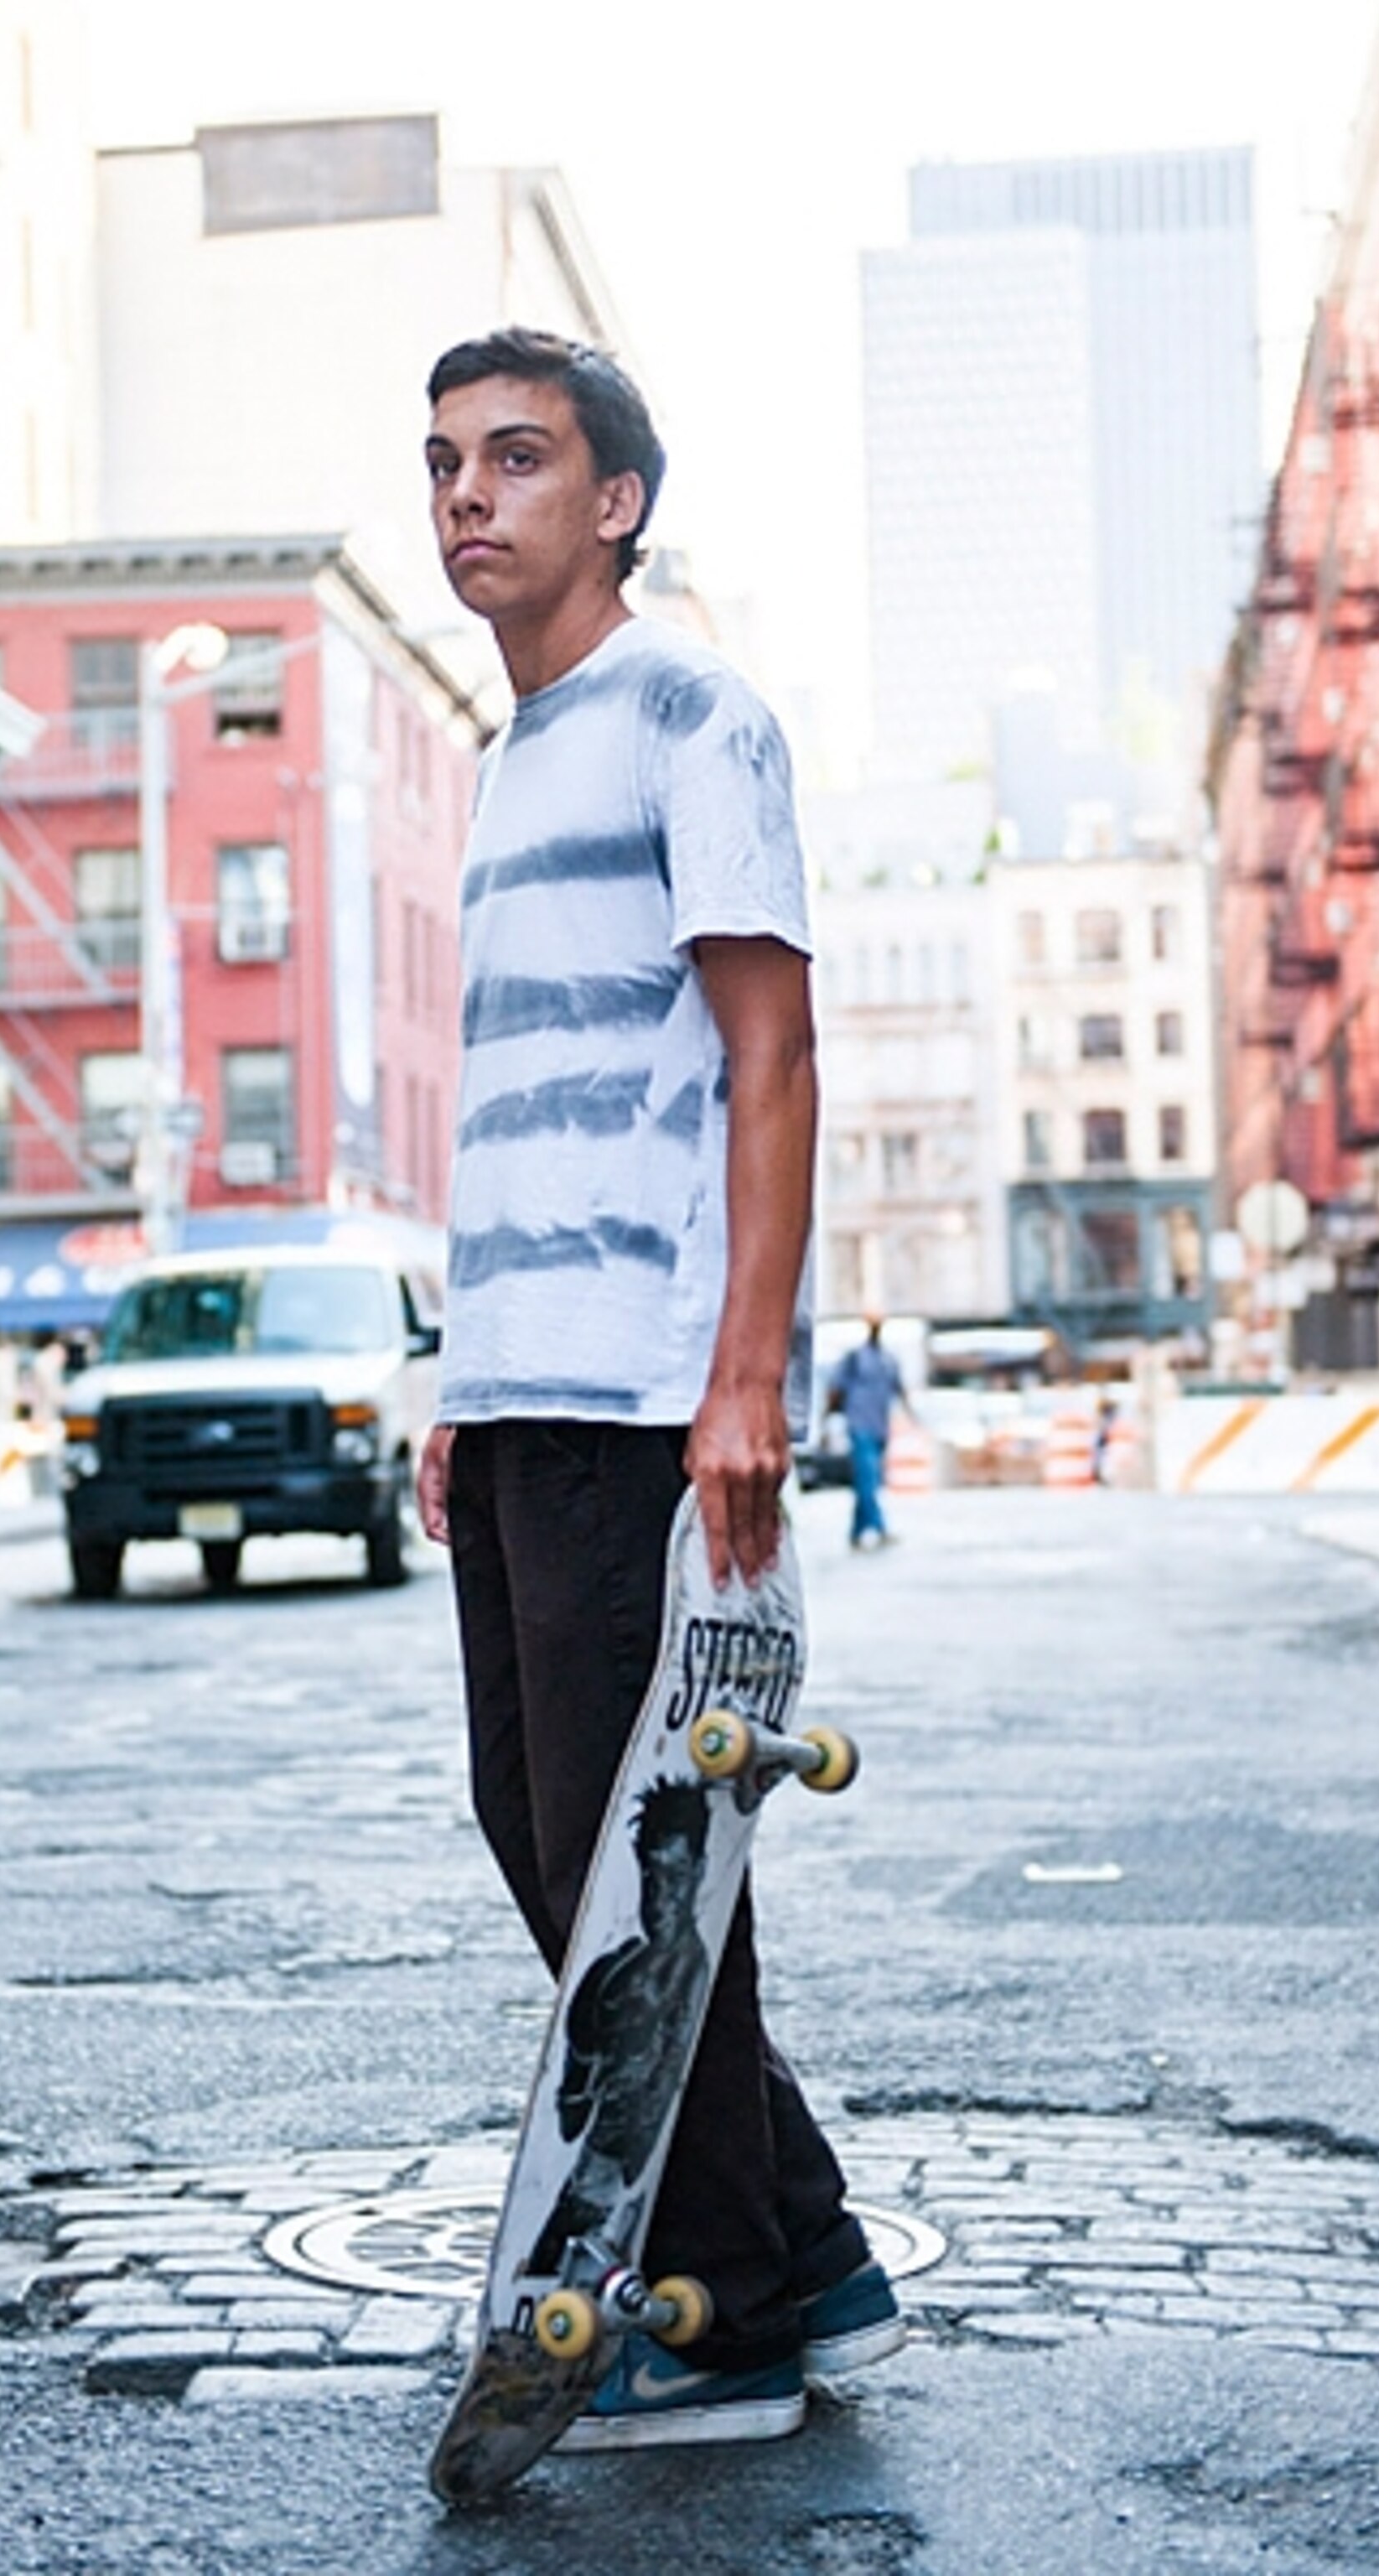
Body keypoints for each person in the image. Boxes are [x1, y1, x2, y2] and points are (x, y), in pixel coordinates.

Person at [415, 327, 902, 2453]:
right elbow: (529, 1107)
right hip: (523, 1385)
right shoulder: (513, 754)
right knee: (540, 1822)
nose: (467, 494)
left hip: (641, 1394)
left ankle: (732, 2322)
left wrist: (745, 1377)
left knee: (635, 1858)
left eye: (516, 458)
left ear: (613, 502)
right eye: (445, 462)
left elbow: (770, 1055)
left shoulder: (693, 710)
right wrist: (462, 1380)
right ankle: (812, 2255)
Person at [827, 1315, 911, 1550]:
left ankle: (856, 1531)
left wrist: (913, 1417)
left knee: (868, 1481)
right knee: (868, 1478)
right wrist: (827, 1420)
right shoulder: (855, 1358)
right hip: (859, 1424)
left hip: (879, 1427)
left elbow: (900, 1389)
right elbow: (836, 1389)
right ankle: (879, 1527)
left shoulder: (889, 1359)